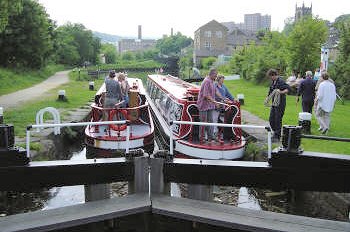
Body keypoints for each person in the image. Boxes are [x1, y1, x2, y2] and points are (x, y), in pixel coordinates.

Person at [265, 68, 290, 141]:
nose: (270, 78)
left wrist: (280, 92)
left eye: (271, 76)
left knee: (277, 119)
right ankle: (275, 132)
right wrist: (267, 98)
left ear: (274, 75)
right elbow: (271, 91)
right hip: (274, 103)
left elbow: (288, 89)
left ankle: (277, 136)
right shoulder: (273, 82)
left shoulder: (280, 81)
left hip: (280, 103)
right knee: (271, 119)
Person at [197, 68, 217, 143]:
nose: (216, 77)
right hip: (203, 105)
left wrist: (223, 98)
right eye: (215, 75)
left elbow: (215, 91)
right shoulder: (206, 81)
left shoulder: (212, 81)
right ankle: (201, 138)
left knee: (210, 121)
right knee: (203, 122)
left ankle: (210, 137)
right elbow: (205, 95)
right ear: (211, 74)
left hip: (210, 105)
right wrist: (215, 102)